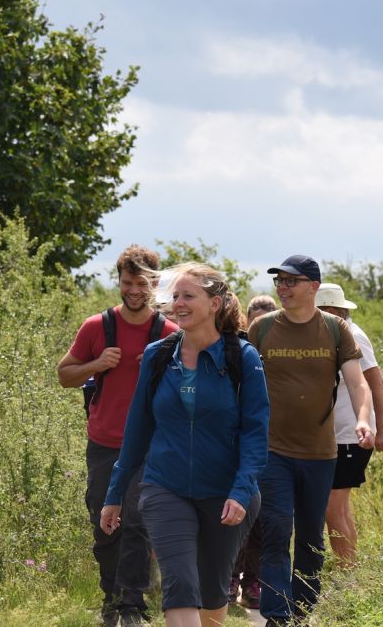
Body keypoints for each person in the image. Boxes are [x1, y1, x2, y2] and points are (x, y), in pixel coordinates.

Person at [100, 263, 270, 627]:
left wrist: (240, 493)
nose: (178, 303)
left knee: (212, 590)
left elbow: (256, 434)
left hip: (226, 492)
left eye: (188, 296)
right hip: (165, 487)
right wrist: (115, 493)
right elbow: (136, 431)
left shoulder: (243, 358)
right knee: (180, 582)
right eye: (174, 296)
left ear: (215, 303)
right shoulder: (158, 356)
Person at [56, 245, 180, 627]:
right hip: (106, 441)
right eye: (128, 283)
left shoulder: (170, 333)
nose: (135, 291)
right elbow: (64, 375)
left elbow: (193, 391)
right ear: (120, 282)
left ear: (155, 284)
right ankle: (111, 596)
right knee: (104, 521)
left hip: (152, 445)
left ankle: (131, 603)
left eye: (142, 284)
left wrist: (163, 369)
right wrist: (97, 363)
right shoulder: (97, 327)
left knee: (138, 520)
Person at [248, 255, 374, 626]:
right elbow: (241, 380)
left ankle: (302, 610)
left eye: (291, 281)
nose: (283, 288)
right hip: (273, 450)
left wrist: (364, 421)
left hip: (321, 452)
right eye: (279, 282)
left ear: (314, 287)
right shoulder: (263, 328)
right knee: (275, 529)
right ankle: (276, 615)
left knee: (310, 538)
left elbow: (357, 382)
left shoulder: (336, 329)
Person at [315, 283, 383, 569]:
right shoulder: (327, 335)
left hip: (351, 434)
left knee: (332, 508)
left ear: (333, 310)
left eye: (319, 310)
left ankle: (346, 573)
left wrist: (382, 428)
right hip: (333, 434)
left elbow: (375, 382)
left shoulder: (353, 335)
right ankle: (349, 568)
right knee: (340, 507)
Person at [228, 294, 279, 610]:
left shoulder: (282, 350)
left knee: (262, 518)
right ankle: (231, 577)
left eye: (266, 319)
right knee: (238, 512)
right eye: (254, 320)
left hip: (275, 441)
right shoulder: (238, 349)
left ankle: (253, 583)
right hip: (240, 441)